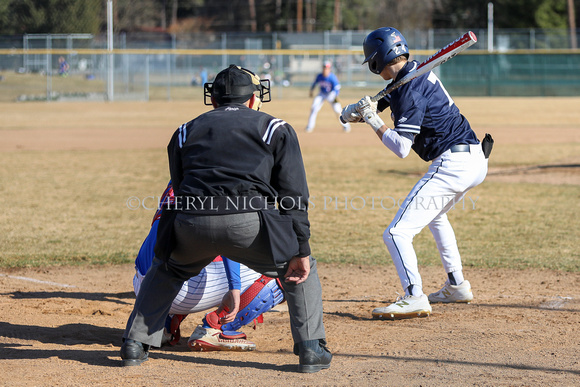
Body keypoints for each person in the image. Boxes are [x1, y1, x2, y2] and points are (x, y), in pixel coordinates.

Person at [120, 64, 331, 373]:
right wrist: (300, 248)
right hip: (248, 224)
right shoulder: (275, 127)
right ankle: (311, 349)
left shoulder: (184, 130)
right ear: (251, 100)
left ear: (214, 100)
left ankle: (135, 344)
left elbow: (179, 189)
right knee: (300, 270)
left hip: (190, 223)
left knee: (167, 268)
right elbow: (293, 197)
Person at [342, 27, 493, 320]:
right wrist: (355, 112)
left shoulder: (410, 85)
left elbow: (400, 147)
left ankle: (414, 296)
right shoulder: (406, 78)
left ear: (376, 60)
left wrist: (372, 119)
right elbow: (380, 103)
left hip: (454, 165)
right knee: (436, 217)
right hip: (472, 160)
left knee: (396, 233)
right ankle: (456, 285)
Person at [133, 181, 285, 351]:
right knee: (284, 269)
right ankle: (217, 327)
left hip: (144, 287)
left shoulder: (181, 173)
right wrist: (234, 286)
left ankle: (160, 324)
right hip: (178, 290)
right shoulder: (222, 179)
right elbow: (228, 241)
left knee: (191, 248)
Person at [305, 61, 351, 133]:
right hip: (322, 94)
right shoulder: (319, 76)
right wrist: (311, 90)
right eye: (324, 68)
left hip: (331, 94)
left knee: (337, 110)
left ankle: (346, 126)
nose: (325, 69)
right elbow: (314, 83)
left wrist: (335, 96)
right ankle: (309, 127)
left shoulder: (332, 77)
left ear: (329, 69)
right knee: (314, 108)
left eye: (327, 68)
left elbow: (337, 88)